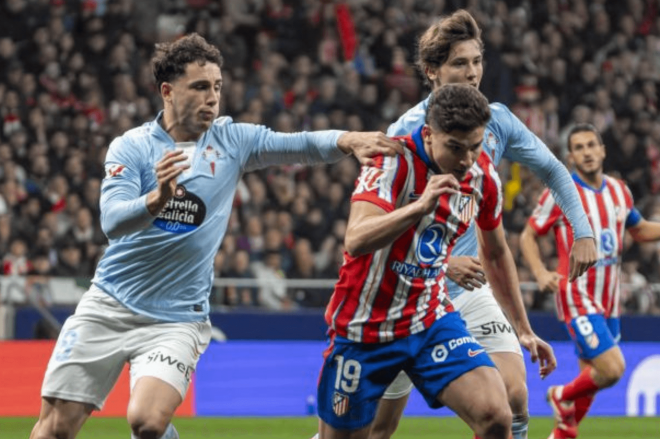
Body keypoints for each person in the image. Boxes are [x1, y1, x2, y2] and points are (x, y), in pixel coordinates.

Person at [29, 33, 403, 439]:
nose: (213, 97)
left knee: (148, 422)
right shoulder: (132, 147)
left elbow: (297, 145)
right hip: (108, 305)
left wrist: (347, 140)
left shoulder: (232, 141)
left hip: (175, 318)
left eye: (218, 87)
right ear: (168, 92)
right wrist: (156, 200)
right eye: (201, 87)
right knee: (54, 431)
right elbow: (112, 221)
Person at [362, 10, 597, 439]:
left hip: (468, 294)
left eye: (476, 61)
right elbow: (372, 231)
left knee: (513, 399)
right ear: (432, 71)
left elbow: (553, 172)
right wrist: (439, 262)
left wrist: (583, 231)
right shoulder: (405, 134)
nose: (472, 73)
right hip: (405, 295)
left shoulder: (498, 121)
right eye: (459, 63)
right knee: (375, 431)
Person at [317, 83, 556, 439]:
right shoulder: (391, 161)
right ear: (429, 135)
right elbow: (356, 238)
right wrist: (418, 207)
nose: (466, 160)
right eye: (455, 148)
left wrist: (523, 328)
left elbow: (494, 251)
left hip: (429, 321)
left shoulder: (481, 177)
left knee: (496, 415)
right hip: (366, 329)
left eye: (474, 147)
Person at [520, 123, 660, 439]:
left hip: (609, 300)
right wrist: (540, 272)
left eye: (590, 145)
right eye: (579, 147)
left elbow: (638, 230)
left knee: (594, 378)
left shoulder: (619, 191)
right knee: (612, 369)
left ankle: (562, 434)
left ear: (602, 150)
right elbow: (529, 234)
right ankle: (560, 396)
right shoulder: (560, 191)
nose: (586, 152)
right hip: (577, 295)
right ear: (570, 156)